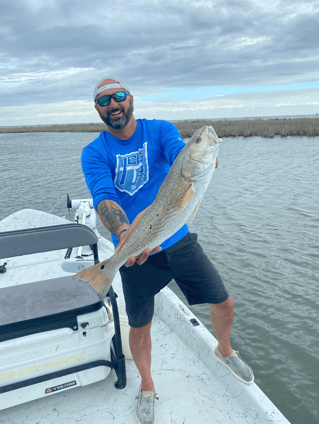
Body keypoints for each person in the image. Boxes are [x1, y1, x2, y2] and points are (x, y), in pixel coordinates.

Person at [81, 77, 254, 424]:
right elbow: (104, 197)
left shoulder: (159, 130)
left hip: (178, 240)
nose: (113, 105)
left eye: (118, 97)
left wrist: (204, 156)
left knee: (224, 301)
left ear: (130, 99)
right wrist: (125, 234)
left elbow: (181, 156)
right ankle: (147, 385)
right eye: (104, 101)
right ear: (98, 109)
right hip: (133, 249)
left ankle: (225, 350)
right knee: (141, 325)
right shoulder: (94, 152)